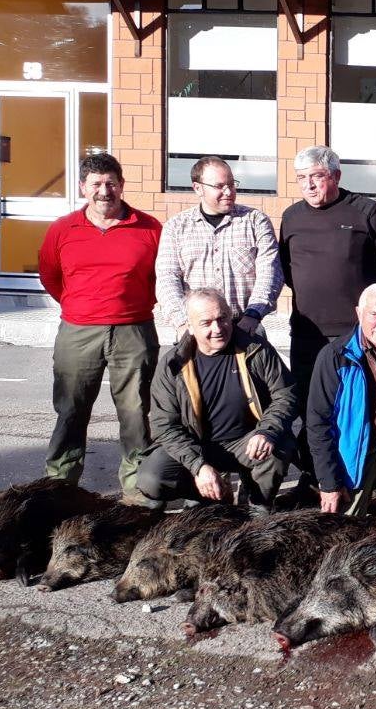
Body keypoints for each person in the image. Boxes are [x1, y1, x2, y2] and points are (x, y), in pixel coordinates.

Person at [37, 152, 163, 497]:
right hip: (79, 332)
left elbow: (161, 277)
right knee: (71, 409)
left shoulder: (149, 228)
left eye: (110, 183)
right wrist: (81, 306)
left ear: (121, 186)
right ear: (83, 188)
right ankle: (61, 483)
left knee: (135, 411)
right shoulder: (62, 229)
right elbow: (50, 275)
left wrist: (134, 304)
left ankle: (138, 487)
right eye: (96, 184)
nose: (104, 191)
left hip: (133, 329)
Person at [136, 288, 298, 513]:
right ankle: (211, 494)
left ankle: (256, 504)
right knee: (151, 477)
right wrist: (198, 466)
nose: (218, 328)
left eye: (222, 318)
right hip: (198, 445)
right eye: (206, 323)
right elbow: (164, 426)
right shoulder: (173, 365)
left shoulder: (256, 349)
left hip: (247, 442)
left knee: (277, 447)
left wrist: (266, 431)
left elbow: (286, 394)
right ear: (190, 327)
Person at [278, 145, 376, 411]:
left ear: (336, 176)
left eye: (317, 176)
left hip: (356, 332)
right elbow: (286, 266)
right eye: (301, 178)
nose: (309, 185)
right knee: (311, 407)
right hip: (307, 331)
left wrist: (374, 305)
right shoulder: (291, 217)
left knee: (357, 405)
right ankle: (311, 454)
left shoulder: (367, 211)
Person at [304, 283, 376, 518]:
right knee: (344, 527)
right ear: (358, 313)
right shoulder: (335, 356)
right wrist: (329, 483)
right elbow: (317, 424)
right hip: (354, 452)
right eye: (374, 315)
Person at [154, 156, 282, 334]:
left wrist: (253, 315)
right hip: (197, 331)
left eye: (231, 184)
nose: (228, 192)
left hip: (245, 327)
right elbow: (167, 278)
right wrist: (182, 323)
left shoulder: (255, 221)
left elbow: (270, 272)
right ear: (198, 188)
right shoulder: (176, 227)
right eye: (219, 186)